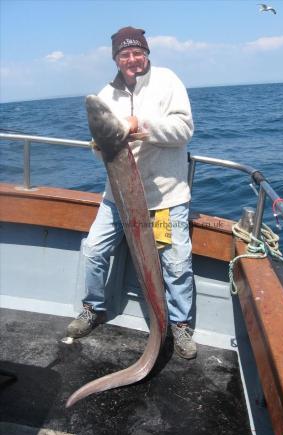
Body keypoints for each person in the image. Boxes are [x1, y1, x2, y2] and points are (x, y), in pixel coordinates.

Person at [67, 26, 196, 359]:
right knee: (94, 249)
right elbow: (98, 146)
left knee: (176, 264)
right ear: (116, 58)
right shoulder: (105, 96)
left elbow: (184, 129)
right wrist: (101, 145)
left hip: (166, 196)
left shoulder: (168, 81)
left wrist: (141, 124)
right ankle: (93, 308)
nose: (132, 60)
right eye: (125, 54)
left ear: (147, 54)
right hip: (118, 197)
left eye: (138, 53)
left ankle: (180, 326)